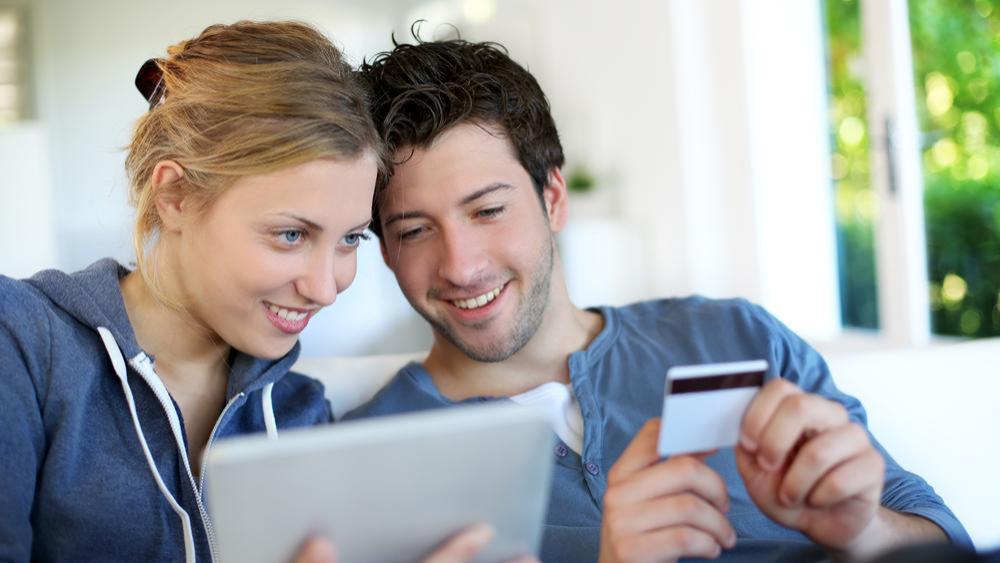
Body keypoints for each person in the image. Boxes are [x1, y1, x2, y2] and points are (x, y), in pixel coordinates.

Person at [345, 35, 974, 562]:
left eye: (487, 210)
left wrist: (864, 533)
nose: (461, 265)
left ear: (554, 199)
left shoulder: (733, 336)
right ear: (384, 249)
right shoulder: (364, 461)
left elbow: (944, 536)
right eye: (415, 230)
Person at [0, 21, 511, 563]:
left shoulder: (299, 415)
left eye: (350, 240)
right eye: (291, 234)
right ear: (175, 195)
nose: (324, 288)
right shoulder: (24, 349)